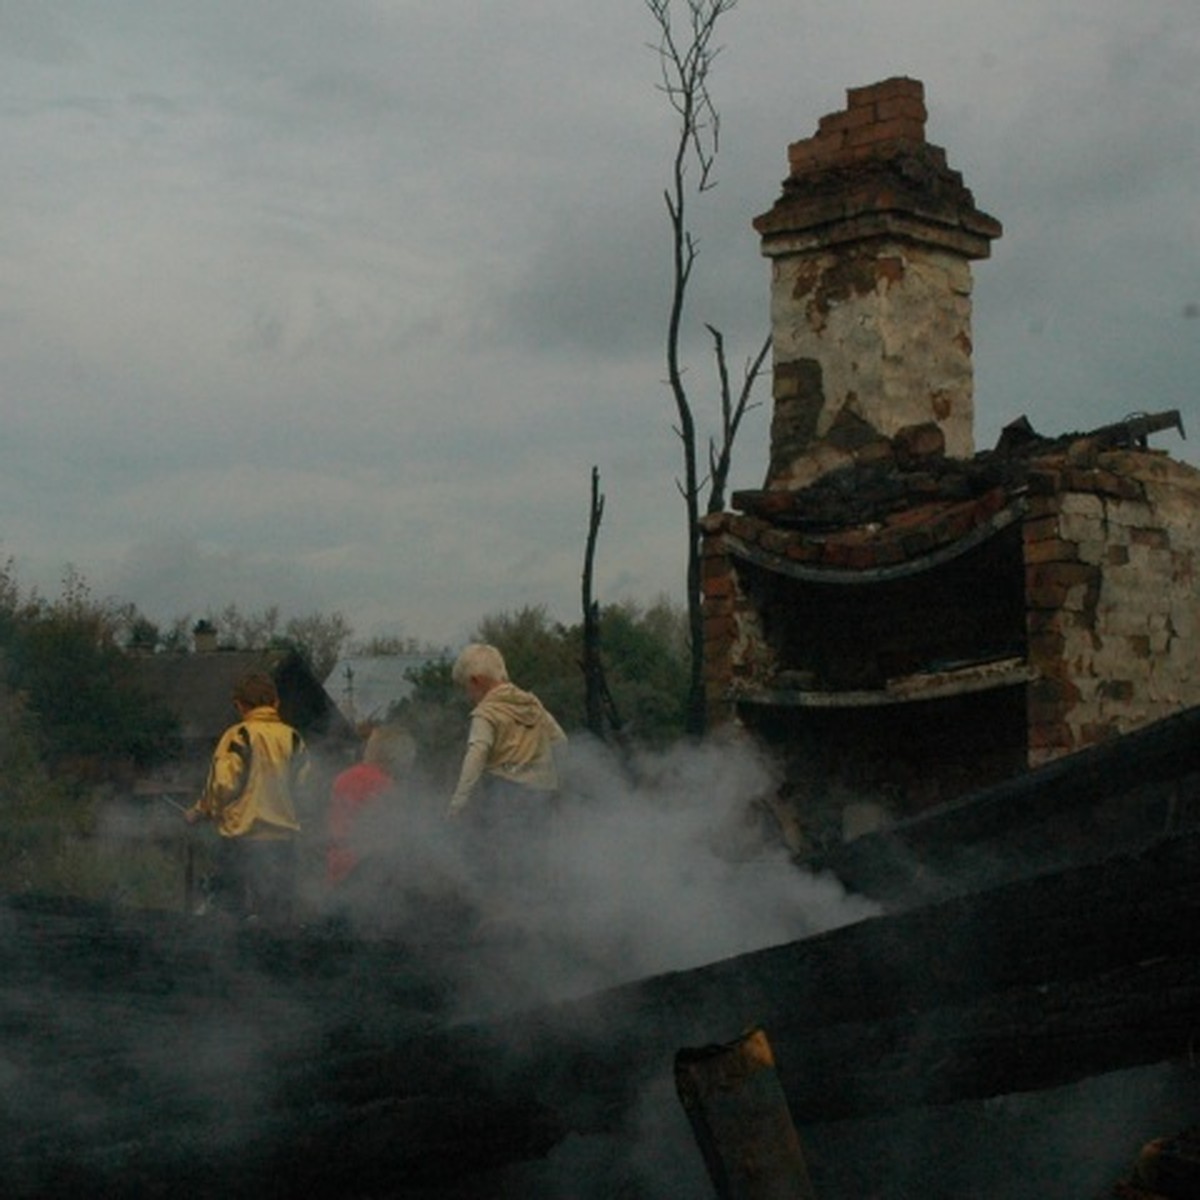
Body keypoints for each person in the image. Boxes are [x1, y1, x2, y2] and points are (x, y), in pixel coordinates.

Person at [447, 643, 567, 917]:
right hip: (541, 794)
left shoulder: (486, 712)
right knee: (533, 864)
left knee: (496, 863)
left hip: (505, 793)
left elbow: (476, 755)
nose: (469, 696)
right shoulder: (532, 705)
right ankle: (535, 922)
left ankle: (499, 924)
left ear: (476, 681)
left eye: (467, 688)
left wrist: (458, 803)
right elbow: (561, 741)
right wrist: (553, 779)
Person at [186, 671, 308, 923]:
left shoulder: (238, 736)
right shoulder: (294, 738)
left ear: (239, 705)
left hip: (240, 842)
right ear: (276, 703)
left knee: (231, 915)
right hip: (283, 844)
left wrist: (201, 810)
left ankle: (235, 962)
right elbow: (305, 789)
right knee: (278, 918)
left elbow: (223, 784)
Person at [326, 723, 416, 889]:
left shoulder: (343, 778)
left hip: (338, 865)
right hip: (368, 869)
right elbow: (391, 837)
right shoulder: (386, 785)